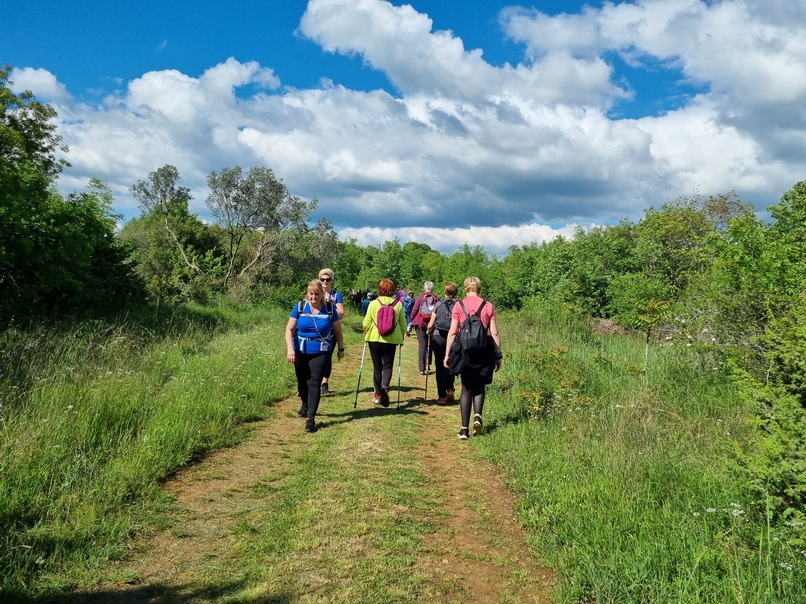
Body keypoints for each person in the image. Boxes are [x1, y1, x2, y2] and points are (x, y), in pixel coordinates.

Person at [444, 277, 502, 440]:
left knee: (466, 387)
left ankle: (464, 430)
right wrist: (498, 355)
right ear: (479, 288)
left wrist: (447, 354)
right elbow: (494, 333)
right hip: (484, 351)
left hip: (464, 352)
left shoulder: (458, 305)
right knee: (480, 386)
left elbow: (453, 331)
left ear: (465, 289)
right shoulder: (488, 306)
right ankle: (477, 416)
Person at [285, 280, 345, 433]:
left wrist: (341, 348)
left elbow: (338, 331)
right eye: (311, 294)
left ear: (322, 294)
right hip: (300, 350)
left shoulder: (329, 309)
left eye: (317, 294)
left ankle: (311, 419)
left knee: (314, 382)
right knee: (302, 382)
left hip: (321, 351)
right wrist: (290, 349)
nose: (314, 297)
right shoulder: (300, 307)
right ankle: (305, 403)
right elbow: (289, 329)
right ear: (308, 294)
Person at [362, 279, 406, 407]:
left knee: (377, 366)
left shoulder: (374, 303)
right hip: (391, 340)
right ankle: (385, 387)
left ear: (379, 290)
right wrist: (402, 336)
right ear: (392, 290)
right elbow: (403, 324)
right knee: (388, 365)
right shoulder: (398, 304)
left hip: (374, 338)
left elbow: (366, 322)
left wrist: (365, 331)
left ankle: (377, 395)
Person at [426, 282, 458, 405]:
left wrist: (429, 331)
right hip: (454, 337)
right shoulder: (459, 305)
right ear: (456, 293)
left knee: (440, 366)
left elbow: (431, 323)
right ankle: (450, 387)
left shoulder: (438, 304)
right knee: (451, 362)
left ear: (445, 292)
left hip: (439, 337)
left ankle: (441, 396)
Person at [319, 268, 345, 396]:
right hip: (317, 331)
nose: (325, 281)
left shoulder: (336, 295)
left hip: (331, 331)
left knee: (327, 356)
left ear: (331, 281)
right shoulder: (315, 293)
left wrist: (330, 308)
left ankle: (324, 383)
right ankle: (312, 382)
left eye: (327, 279)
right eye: (322, 279)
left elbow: (341, 313)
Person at [410, 281, 440, 375]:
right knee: (430, 344)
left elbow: (414, 310)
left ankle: (421, 368)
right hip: (432, 324)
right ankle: (428, 364)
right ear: (432, 289)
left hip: (420, 324)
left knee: (422, 345)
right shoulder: (437, 298)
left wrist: (411, 320)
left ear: (425, 288)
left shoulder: (420, 298)